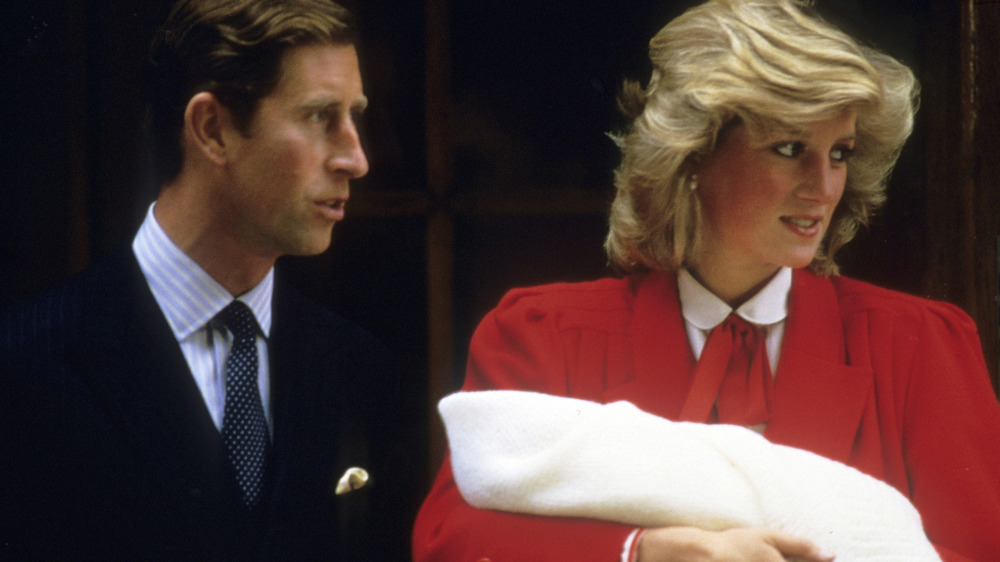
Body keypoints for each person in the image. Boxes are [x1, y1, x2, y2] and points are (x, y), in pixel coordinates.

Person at [412, 0, 1000, 561]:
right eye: (790, 147)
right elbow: (450, 542)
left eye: (840, 153)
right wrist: (646, 553)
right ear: (691, 156)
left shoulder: (920, 345)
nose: (823, 186)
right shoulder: (544, 335)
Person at [0, 0, 418, 559]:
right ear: (212, 129)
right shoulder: (24, 366)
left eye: (354, 115)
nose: (357, 159)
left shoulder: (362, 374)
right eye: (320, 116)